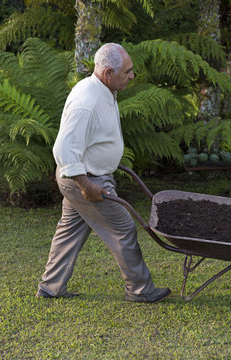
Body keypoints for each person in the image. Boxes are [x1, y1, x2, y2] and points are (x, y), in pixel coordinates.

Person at [36, 43, 171, 303]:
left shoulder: (103, 90)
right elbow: (63, 148)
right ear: (109, 73)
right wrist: (86, 185)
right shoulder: (86, 100)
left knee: (70, 230)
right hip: (83, 180)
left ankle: (50, 286)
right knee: (123, 229)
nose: (132, 76)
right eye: (128, 72)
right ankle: (140, 290)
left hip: (88, 176)